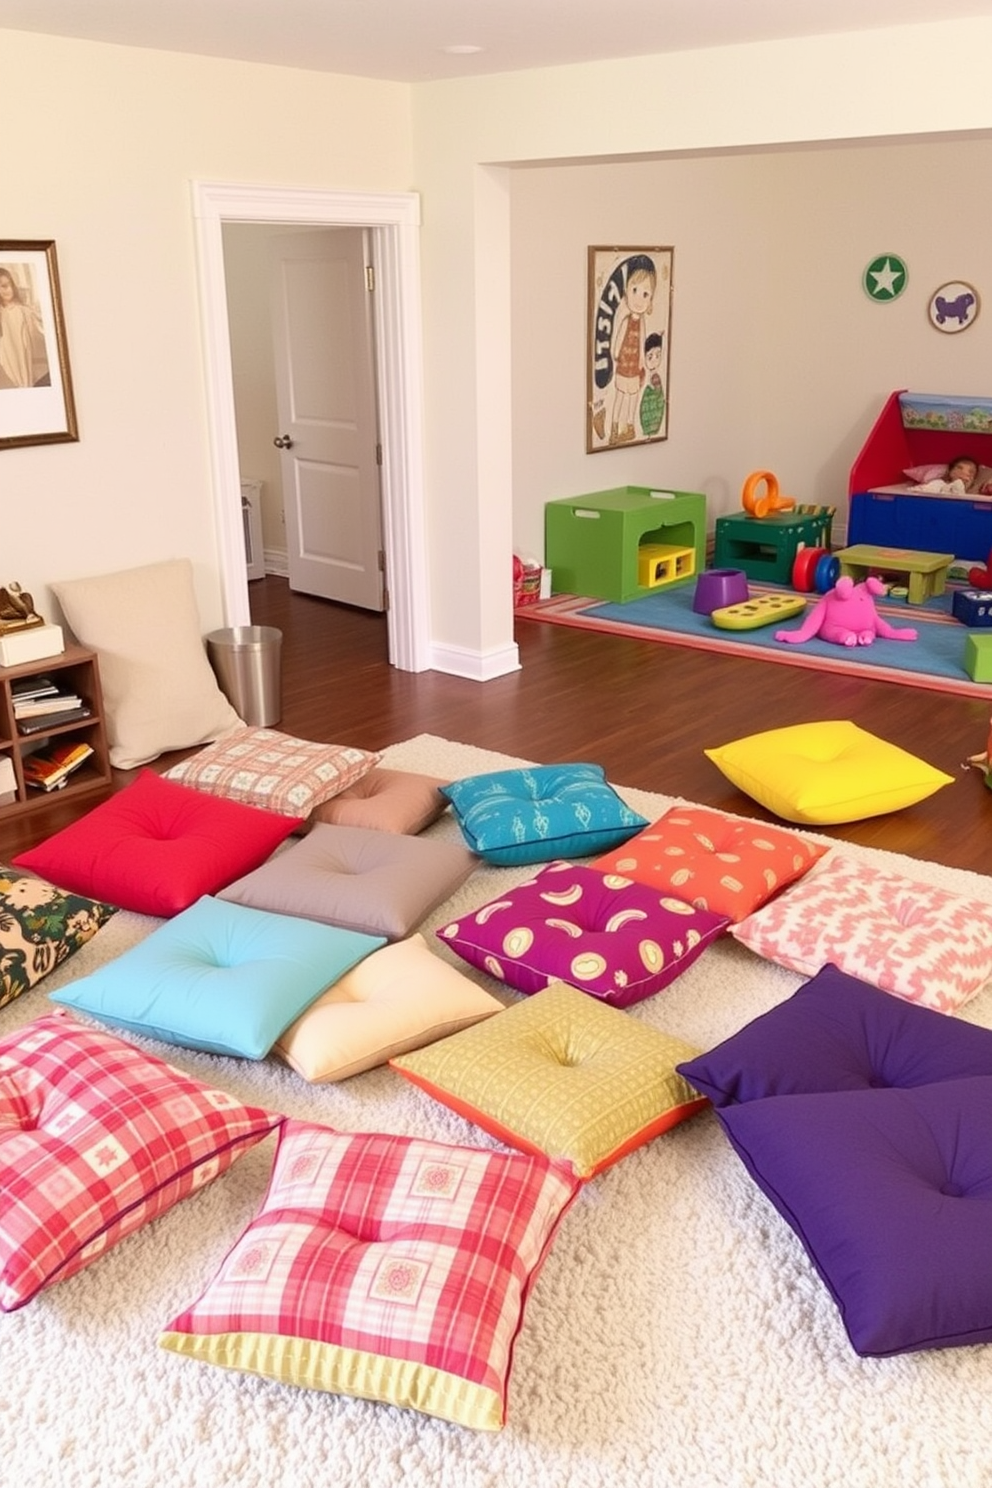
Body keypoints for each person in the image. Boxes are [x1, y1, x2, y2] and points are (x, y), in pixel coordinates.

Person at [608, 255, 656, 445]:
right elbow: (619, 340)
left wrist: (642, 363)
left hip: (634, 367)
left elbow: (643, 342)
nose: (639, 299)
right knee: (620, 395)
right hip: (623, 365)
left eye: (645, 294)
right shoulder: (627, 321)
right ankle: (614, 426)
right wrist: (616, 353)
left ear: (651, 299)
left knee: (632, 397)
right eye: (635, 290)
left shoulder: (642, 323)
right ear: (627, 291)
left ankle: (629, 426)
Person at [0, 267, 48, 389]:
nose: (5, 291)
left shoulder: (24, 311)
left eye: (7, 285)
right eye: (1, 287)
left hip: (25, 365)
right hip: (8, 365)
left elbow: (39, 334)